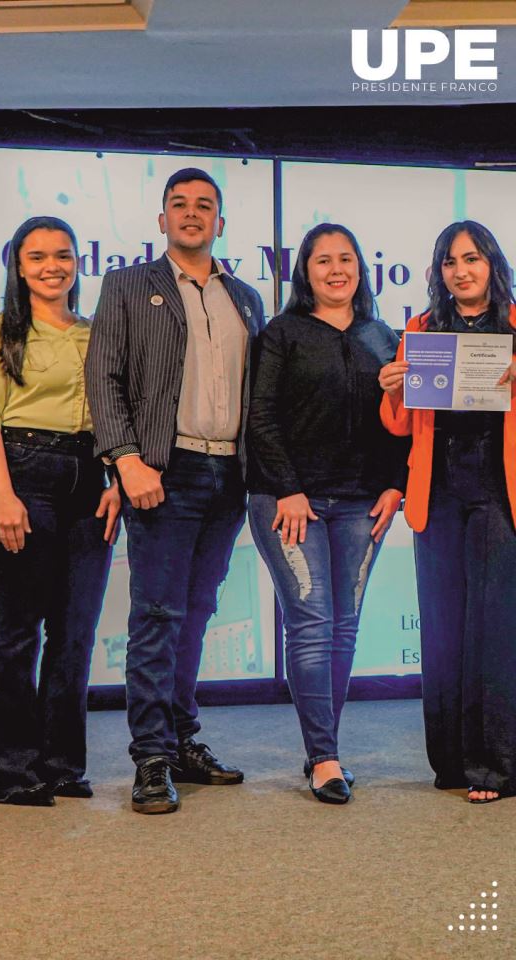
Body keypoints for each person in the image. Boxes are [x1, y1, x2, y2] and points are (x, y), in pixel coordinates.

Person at [85, 168, 264, 814]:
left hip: (229, 477)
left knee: (197, 614)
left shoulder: (246, 298)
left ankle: (184, 737)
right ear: (162, 220)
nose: (192, 214)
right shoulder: (129, 286)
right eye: (179, 205)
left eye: (205, 206)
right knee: (157, 616)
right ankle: (151, 757)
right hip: (164, 471)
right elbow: (102, 377)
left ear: (221, 221)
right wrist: (125, 460)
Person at [248, 223, 406, 805]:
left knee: (344, 629)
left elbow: (404, 422)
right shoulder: (281, 332)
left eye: (346, 259)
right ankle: (325, 758)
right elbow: (259, 417)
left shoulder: (383, 336)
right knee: (311, 624)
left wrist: (398, 484)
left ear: (360, 268)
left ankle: (324, 749)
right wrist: (287, 488)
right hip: (291, 502)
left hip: (364, 502)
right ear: (305, 273)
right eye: (323, 261)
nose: (336, 269)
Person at [0, 216, 119, 807]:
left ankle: (60, 766)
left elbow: (116, 411)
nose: (52, 266)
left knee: (75, 632)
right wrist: (2, 496)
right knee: (18, 629)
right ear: (18, 265)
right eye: (37, 257)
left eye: (63, 255)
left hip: (90, 481)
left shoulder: (96, 331)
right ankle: (6, 772)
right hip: (21, 475)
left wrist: (116, 479)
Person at [379, 220, 516, 804]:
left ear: (493, 266)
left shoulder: (515, 329)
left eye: (474, 259)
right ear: (439, 272)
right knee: (441, 629)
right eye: (451, 262)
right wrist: (391, 388)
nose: (462, 271)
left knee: (493, 630)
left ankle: (494, 766)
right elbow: (400, 424)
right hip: (437, 492)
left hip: (497, 488)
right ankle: (453, 763)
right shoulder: (420, 330)